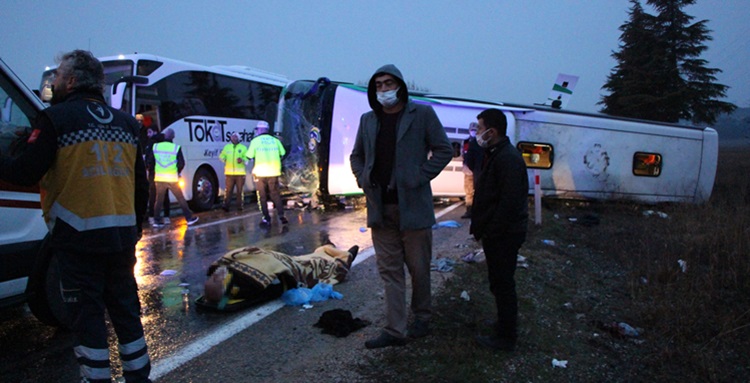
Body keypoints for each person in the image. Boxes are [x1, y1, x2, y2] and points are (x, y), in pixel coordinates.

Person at [0, 50, 152, 382]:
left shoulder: (56, 120)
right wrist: (135, 228)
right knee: (126, 313)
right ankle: (139, 377)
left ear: (70, 81)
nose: (53, 83)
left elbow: (25, 172)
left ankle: (96, 378)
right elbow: (142, 185)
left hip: (77, 237)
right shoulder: (126, 124)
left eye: (56, 77)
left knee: (88, 317)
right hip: (121, 238)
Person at [350, 64, 453, 349]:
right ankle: (395, 331)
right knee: (390, 271)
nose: (383, 89)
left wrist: (419, 176)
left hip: (414, 207)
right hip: (380, 210)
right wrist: (363, 178)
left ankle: (422, 317)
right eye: (378, 85)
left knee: (419, 268)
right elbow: (356, 156)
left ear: (400, 85)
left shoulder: (422, 114)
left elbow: (444, 149)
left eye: (388, 83)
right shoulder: (368, 120)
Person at [469, 108, 529, 352]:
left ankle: (506, 337)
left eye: (480, 128)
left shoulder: (507, 158)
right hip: (499, 233)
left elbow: (509, 202)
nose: (477, 133)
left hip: (504, 234)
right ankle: (503, 325)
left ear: (492, 132)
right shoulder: (497, 153)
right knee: (498, 282)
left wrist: (491, 231)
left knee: (503, 284)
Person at [202, 244, 359, 307]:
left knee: (309, 259)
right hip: (286, 263)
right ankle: (342, 258)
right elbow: (275, 287)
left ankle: (330, 253)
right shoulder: (245, 285)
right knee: (312, 264)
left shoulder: (227, 267)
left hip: (274, 258)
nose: (215, 276)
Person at [148, 128, 199, 227]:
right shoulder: (175, 148)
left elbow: (150, 161)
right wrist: (177, 171)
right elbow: (181, 163)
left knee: (159, 200)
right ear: (173, 137)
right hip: (172, 178)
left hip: (159, 178)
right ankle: (189, 218)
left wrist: (155, 171)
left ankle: (156, 220)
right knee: (180, 198)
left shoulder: (156, 147)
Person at [246, 120, 287, 225]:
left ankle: (266, 218)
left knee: (262, 196)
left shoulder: (255, 141)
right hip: (273, 171)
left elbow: (249, 156)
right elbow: (283, 153)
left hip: (260, 172)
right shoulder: (275, 140)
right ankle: (282, 216)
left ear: (260, 129)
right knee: (275, 194)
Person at [219, 132, 248, 212]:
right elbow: (221, 156)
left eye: (235, 137)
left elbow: (247, 159)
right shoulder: (227, 147)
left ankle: (239, 206)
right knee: (228, 190)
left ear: (238, 138)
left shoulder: (243, 148)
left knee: (239, 191)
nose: (234, 138)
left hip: (240, 174)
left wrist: (242, 160)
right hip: (229, 173)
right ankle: (226, 205)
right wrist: (224, 159)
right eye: (232, 137)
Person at [461, 122, 482, 219]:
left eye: (475, 130)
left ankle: (477, 211)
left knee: (479, 190)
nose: (473, 132)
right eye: (472, 130)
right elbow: (463, 154)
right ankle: (469, 210)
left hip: (478, 169)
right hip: (468, 170)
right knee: (468, 191)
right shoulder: (466, 141)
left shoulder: (481, 142)